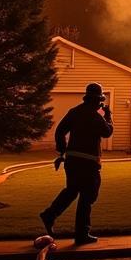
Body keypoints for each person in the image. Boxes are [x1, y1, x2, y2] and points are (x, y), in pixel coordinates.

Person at [39, 83, 113, 245]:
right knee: (88, 196)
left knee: (72, 191)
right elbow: (107, 132)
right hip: (89, 164)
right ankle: (81, 234)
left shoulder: (75, 112)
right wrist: (107, 115)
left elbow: (60, 131)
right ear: (98, 101)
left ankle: (50, 215)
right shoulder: (95, 117)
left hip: (72, 162)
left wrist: (62, 151)